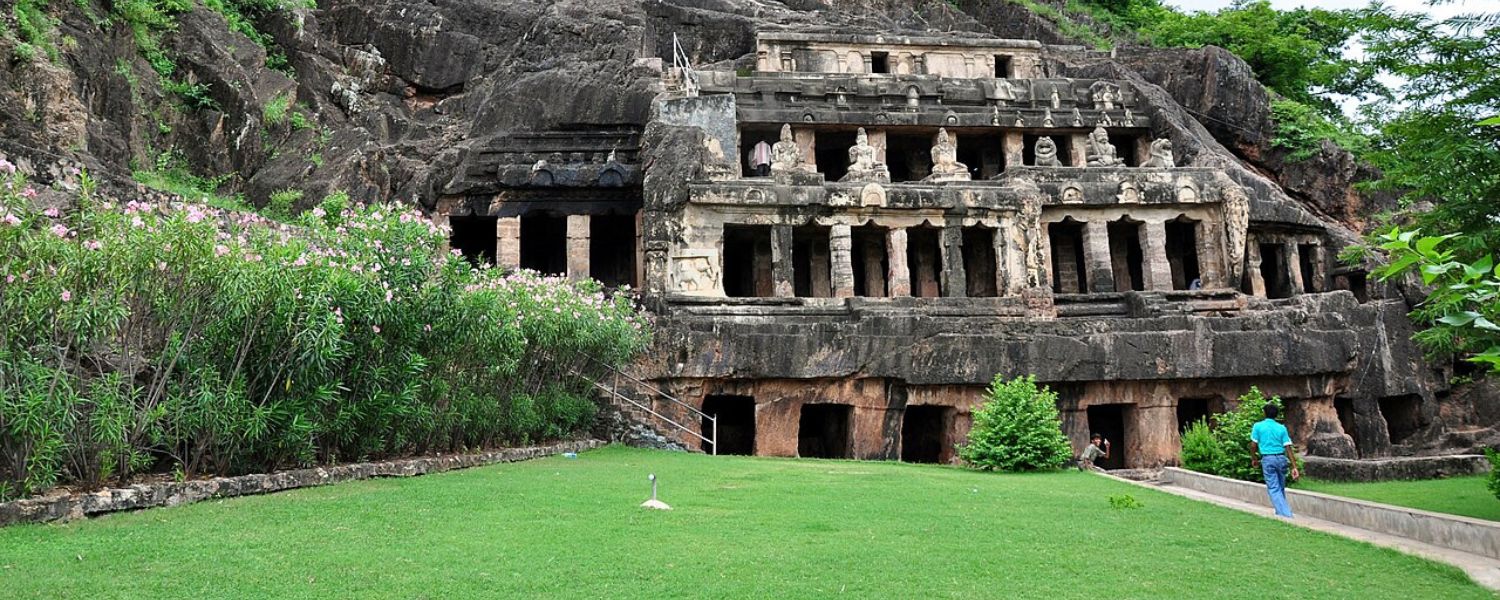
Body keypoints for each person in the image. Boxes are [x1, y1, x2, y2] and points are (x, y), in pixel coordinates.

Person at [1250, 403, 1299, 518]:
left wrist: (1254, 458)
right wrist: (1294, 466)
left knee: (1273, 487)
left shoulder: (1258, 426)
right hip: (1282, 458)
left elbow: (1253, 445)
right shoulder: (1281, 428)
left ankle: (1286, 515)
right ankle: (1280, 512)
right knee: (1280, 487)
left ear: (1264, 413)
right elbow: (1288, 447)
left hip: (1268, 458)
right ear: (1277, 415)